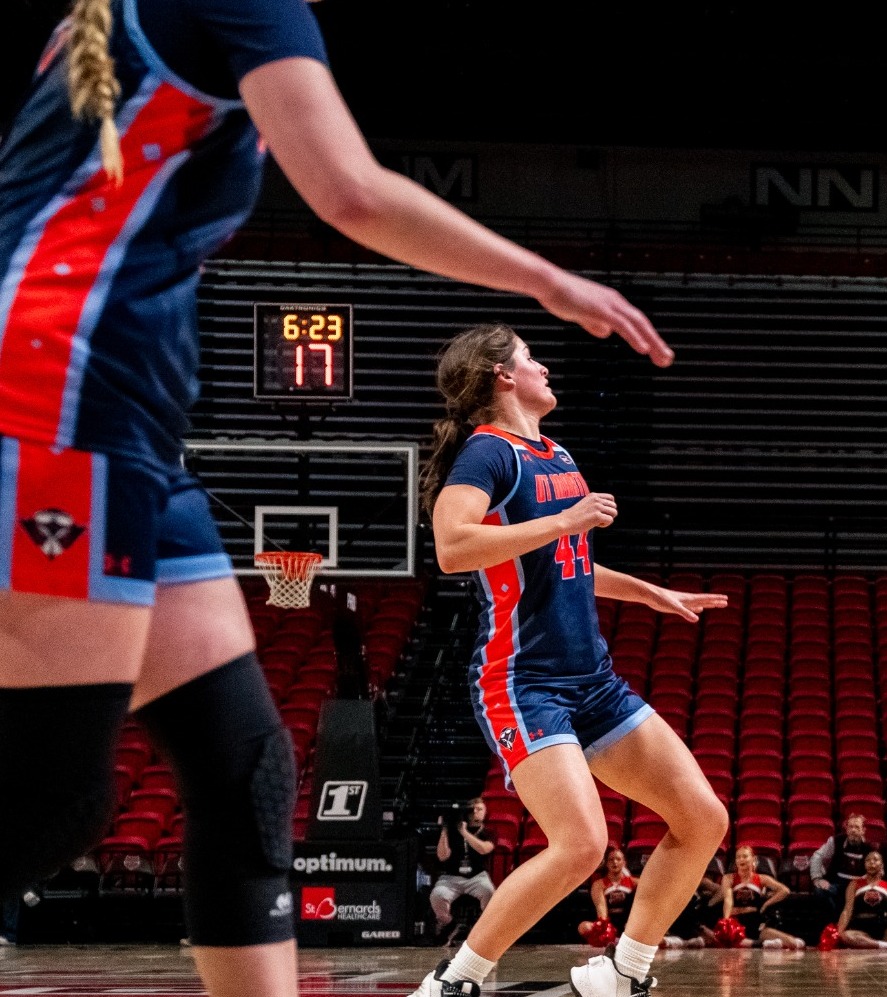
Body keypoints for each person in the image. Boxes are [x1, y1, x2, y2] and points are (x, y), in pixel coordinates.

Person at [0, 3, 669, 995]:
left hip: (131, 433)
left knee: (246, 769)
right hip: (55, 404)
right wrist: (547, 283)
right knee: (51, 806)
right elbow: (351, 194)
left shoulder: (124, 24)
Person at [413, 325, 725, 997]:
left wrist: (649, 593)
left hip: (593, 682)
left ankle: (625, 971)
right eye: (530, 357)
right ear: (502, 375)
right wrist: (565, 520)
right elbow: (451, 545)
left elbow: (568, 563)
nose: (544, 366)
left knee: (703, 818)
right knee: (581, 843)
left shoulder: (554, 451)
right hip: (524, 682)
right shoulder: (488, 454)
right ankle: (454, 981)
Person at [430, 799, 496, 942]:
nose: (476, 812)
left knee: (488, 891)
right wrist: (445, 830)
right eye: (473, 809)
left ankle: (485, 926)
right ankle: (449, 924)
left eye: (480, 809)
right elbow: (442, 856)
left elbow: (484, 849)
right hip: (451, 877)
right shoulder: (451, 831)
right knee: (437, 895)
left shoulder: (488, 831)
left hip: (477, 876)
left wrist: (464, 832)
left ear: (485, 812)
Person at [719, 845, 803, 950]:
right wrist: (727, 921)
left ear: (753, 859)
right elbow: (728, 899)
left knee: (792, 943)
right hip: (736, 924)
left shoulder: (762, 878)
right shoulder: (728, 878)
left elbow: (784, 891)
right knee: (728, 940)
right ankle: (760, 944)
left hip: (755, 924)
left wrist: (766, 904)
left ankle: (763, 943)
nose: (741, 859)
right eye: (738, 857)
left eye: (745, 856)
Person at [810, 814, 876, 913]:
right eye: (850, 827)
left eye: (857, 827)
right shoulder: (836, 841)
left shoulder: (870, 847)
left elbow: (877, 870)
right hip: (836, 884)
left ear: (863, 830)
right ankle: (833, 922)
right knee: (820, 892)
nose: (853, 830)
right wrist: (817, 878)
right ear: (846, 829)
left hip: (858, 886)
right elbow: (817, 856)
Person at [589, 847, 637, 936]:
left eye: (618, 859)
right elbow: (601, 911)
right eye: (611, 860)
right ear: (606, 863)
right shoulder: (599, 884)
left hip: (629, 924)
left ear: (624, 862)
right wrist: (606, 928)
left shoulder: (634, 882)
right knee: (584, 927)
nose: (615, 862)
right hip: (610, 923)